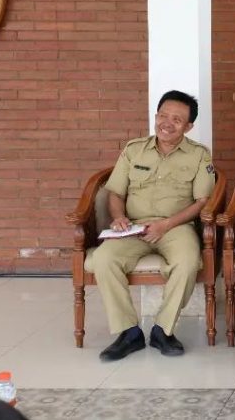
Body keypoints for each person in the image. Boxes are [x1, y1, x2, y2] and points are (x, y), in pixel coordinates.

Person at [93, 90, 215, 361]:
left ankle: (163, 330)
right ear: (156, 116)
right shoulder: (133, 149)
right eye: (163, 116)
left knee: (187, 262)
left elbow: (202, 202)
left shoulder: (199, 155)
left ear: (188, 126)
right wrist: (118, 217)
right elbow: (115, 192)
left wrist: (166, 224)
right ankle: (128, 332)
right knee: (103, 259)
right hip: (134, 226)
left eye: (177, 119)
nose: (167, 124)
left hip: (176, 227)